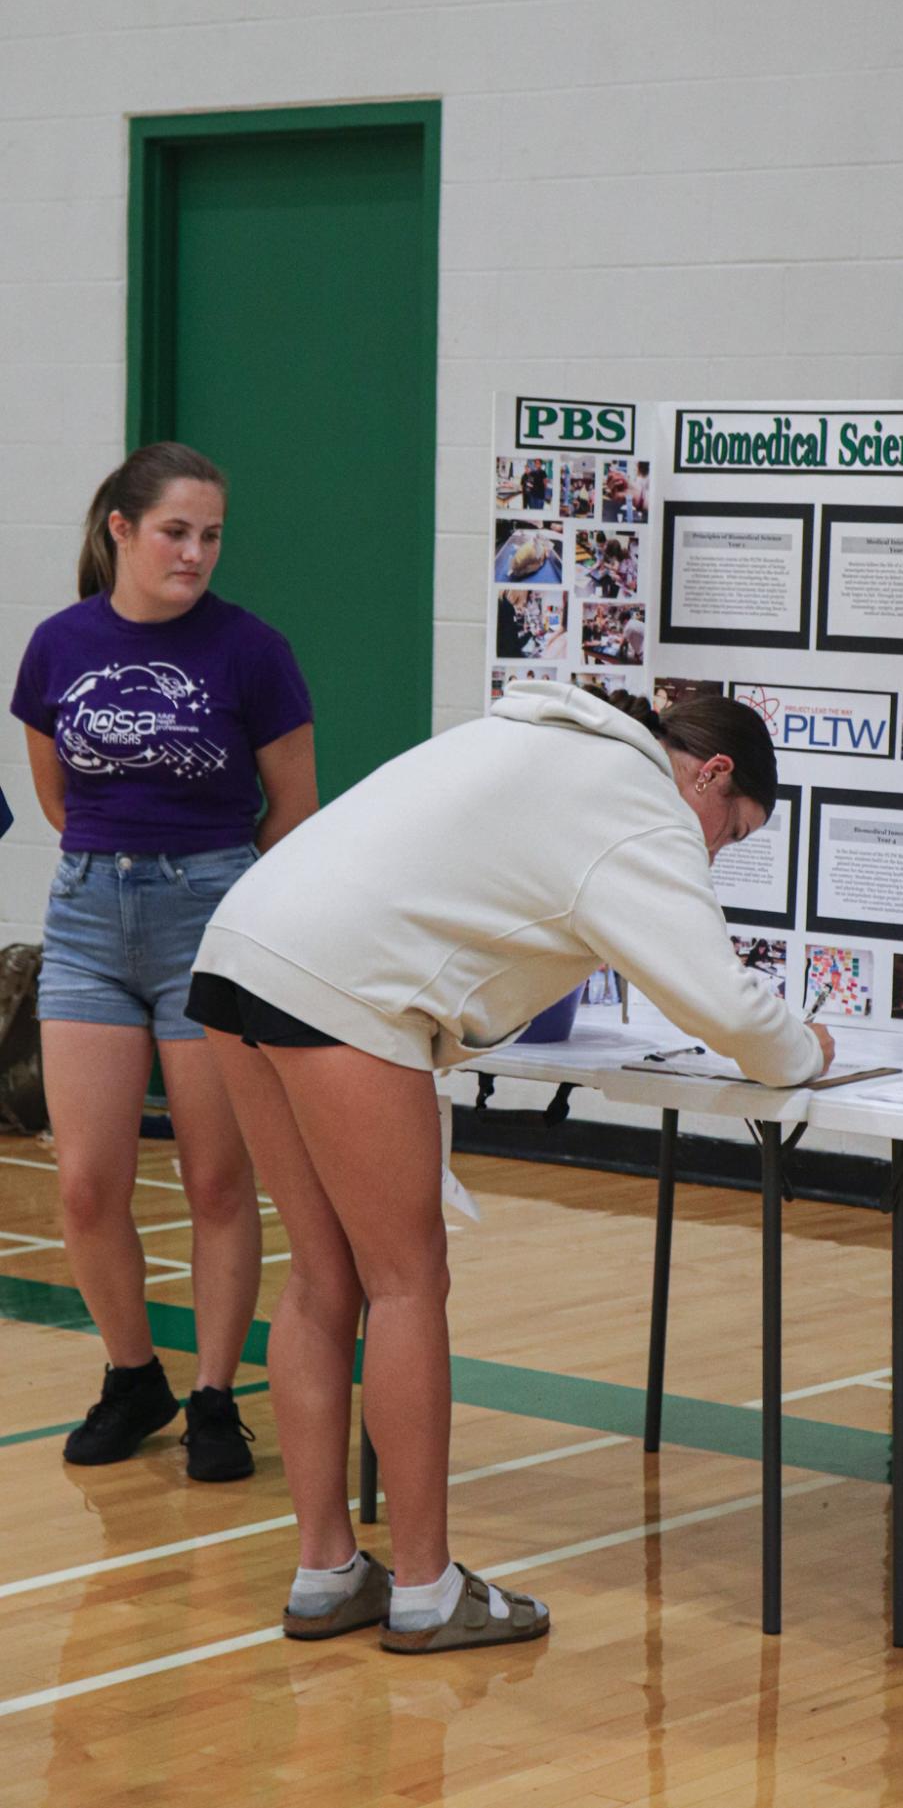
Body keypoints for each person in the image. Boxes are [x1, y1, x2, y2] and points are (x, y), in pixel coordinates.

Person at [185, 684, 834, 1653]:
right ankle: (425, 1590)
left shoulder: (546, 734)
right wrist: (808, 1047)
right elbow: (730, 1011)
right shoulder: (642, 801)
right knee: (407, 1282)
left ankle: (326, 1573)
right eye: (729, 832)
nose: (712, 854)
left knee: (324, 1277)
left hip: (242, 945)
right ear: (712, 773)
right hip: (341, 983)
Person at [10, 443, 317, 1475]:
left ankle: (218, 1395)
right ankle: (132, 1375)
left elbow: (296, 812)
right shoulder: (59, 645)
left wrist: (225, 900)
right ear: (122, 531)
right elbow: (58, 800)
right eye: (176, 532)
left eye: (212, 535)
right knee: (88, 1184)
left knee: (215, 1180)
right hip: (92, 917)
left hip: (212, 917)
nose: (195, 553)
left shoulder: (252, 650)